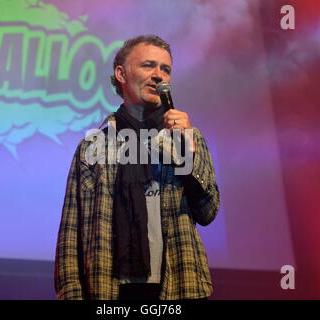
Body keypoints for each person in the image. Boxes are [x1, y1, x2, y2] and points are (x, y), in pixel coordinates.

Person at [54, 35, 220, 300]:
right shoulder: (93, 145)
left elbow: (208, 211)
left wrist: (185, 153)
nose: (158, 75)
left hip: (177, 285)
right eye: (148, 66)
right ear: (121, 73)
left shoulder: (188, 137)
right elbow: (70, 234)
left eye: (165, 69)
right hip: (109, 288)